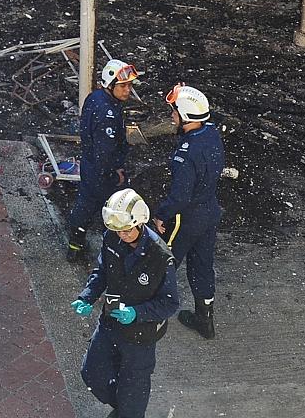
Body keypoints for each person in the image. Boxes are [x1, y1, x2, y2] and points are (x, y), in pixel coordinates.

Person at [70, 188, 177, 418]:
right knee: (92, 375)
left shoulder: (160, 256)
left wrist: (136, 313)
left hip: (140, 337)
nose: (122, 235)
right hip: (110, 324)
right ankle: (122, 408)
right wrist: (87, 296)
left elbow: (169, 303)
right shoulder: (112, 237)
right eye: (117, 231)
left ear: (140, 223)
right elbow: (102, 271)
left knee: (133, 397)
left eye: (127, 230)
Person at [152, 84, 226, 340]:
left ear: (184, 115)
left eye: (174, 111)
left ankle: (153, 318)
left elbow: (180, 196)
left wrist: (161, 215)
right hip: (209, 212)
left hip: (187, 218)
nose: (172, 116)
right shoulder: (211, 134)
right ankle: (205, 320)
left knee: (164, 263)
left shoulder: (186, 154)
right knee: (203, 266)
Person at [66, 58, 141, 262]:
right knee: (116, 209)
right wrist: (113, 171)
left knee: (85, 203)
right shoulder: (106, 112)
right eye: (124, 86)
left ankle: (75, 244)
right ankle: (116, 253)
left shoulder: (95, 98)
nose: (128, 90)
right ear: (110, 84)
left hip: (91, 165)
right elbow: (105, 150)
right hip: (101, 170)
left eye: (130, 85)